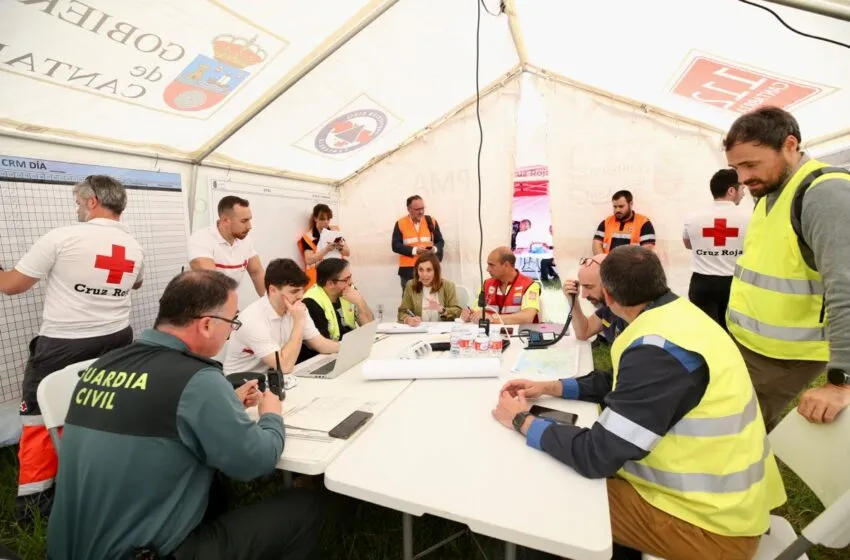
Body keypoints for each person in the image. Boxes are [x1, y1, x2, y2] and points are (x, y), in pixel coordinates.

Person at [493, 246, 786, 560]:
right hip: (723, 504)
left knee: (560, 492)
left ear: (608, 296)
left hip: (709, 527)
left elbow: (595, 455)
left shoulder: (657, 351)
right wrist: (550, 387)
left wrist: (522, 420)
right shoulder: (677, 317)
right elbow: (620, 381)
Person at [46, 270, 323, 559]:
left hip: (67, 550)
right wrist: (271, 416)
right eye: (232, 322)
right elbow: (256, 461)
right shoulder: (196, 379)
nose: (231, 332)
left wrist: (225, 404)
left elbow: (151, 413)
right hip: (144, 554)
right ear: (207, 325)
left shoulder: (104, 365)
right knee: (306, 507)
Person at [0, 175, 144, 524]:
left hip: (64, 344)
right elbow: (136, 282)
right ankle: (98, 477)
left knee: (39, 419)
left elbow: (12, 286)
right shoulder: (134, 246)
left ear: (93, 201)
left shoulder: (62, 237)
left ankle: (34, 509)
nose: (77, 209)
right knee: (99, 409)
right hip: (117, 339)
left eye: (79, 203)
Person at [725, 106, 850, 430]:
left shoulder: (825, 192)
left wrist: (842, 380)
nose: (742, 178)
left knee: (735, 430)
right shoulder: (770, 190)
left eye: (751, 164)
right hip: (751, 344)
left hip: (785, 356)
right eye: (736, 168)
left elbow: (845, 285)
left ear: (790, 145)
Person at [223, 258, 339, 376]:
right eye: (294, 291)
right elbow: (285, 366)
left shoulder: (296, 307)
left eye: (302, 290)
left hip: (272, 377)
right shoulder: (252, 319)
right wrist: (299, 322)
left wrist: (347, 349)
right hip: (240, 382)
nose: (300, 296)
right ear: (272, 290)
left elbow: (320, 344)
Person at [683, 168, 749, 331]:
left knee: (706, 333)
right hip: (734, 284)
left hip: (702, 283)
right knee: (733, 333)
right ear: (731, 190)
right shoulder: (749, 219)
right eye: (742, 188)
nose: (744, 193)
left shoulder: (693, 218)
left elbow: (688, 245)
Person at [297, 258, 375, 363]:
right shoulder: (311, 302)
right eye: (346, 279)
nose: (351, 282)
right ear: (330, 284)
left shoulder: (348, 291)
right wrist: (352, 348)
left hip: (346, 350)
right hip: (325, 357)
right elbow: (321, 346)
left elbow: (369, 329)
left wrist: (361, 303)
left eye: (350, 277)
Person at [188, 195, 265, 297]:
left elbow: (257, 272)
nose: (249, 226)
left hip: (226, 300)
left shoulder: (246, 240)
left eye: (249, 220)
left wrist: (270, 302)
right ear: (225, 220)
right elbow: (211, 282)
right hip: (202, 302)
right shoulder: (201, 238)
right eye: (244, 221)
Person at [461, 246, 540, 325]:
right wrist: (470, 315)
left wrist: (493, 318)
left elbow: (527, 317)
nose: (487, 269)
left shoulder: (529, 285)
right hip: (492, 332)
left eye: (491, 265)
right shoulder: (486, 284)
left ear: (506, 265)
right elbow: (478, 310)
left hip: (520, 332)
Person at [563, 254, 626, 344]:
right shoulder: (609, 308)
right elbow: (583, 333)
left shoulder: (635, 313)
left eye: (589, 287)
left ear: (611, 283)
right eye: (582, 286)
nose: (583, 295)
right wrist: (573, 299)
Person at [392, 195, 445, 291]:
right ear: (409, 209)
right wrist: (415, 250)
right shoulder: (400, 223)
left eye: (422, 208)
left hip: (429, 268)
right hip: (408, 271)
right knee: (409, 298)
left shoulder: (431, 221)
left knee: (431, 296)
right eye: (417, 209)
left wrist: (434, 249)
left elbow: (440, 241)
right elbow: (395, 246)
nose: (421, 211)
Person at [397, 252, 462, 325]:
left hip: (442, 330)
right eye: (421, 270)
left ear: (436, 271)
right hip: (419, 330)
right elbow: (402, 312)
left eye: (429, 270)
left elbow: (458, 312)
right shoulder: (411, 285)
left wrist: (441, 310)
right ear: (417, 271)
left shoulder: (448, 286)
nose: (424, 275)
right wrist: (408, 319)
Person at [298, 203, 350, 290]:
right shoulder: (308, 236)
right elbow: (309, 260)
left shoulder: (335, 231)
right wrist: (326, 250)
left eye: (328, 219)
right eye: (322, 219)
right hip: (318, 280)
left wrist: (339, 247)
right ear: (315, 218)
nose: (326, 222)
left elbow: (347, 252)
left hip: (337, 275)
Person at [592, 190, 655, 255]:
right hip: (608, 261)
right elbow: (596, 244)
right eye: (615, 207)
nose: (617, 210)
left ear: (631, 204)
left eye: (621, 206)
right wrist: (604, 260)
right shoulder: (606, 222)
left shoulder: (644, 223)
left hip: (632, 261)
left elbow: (646, 250)